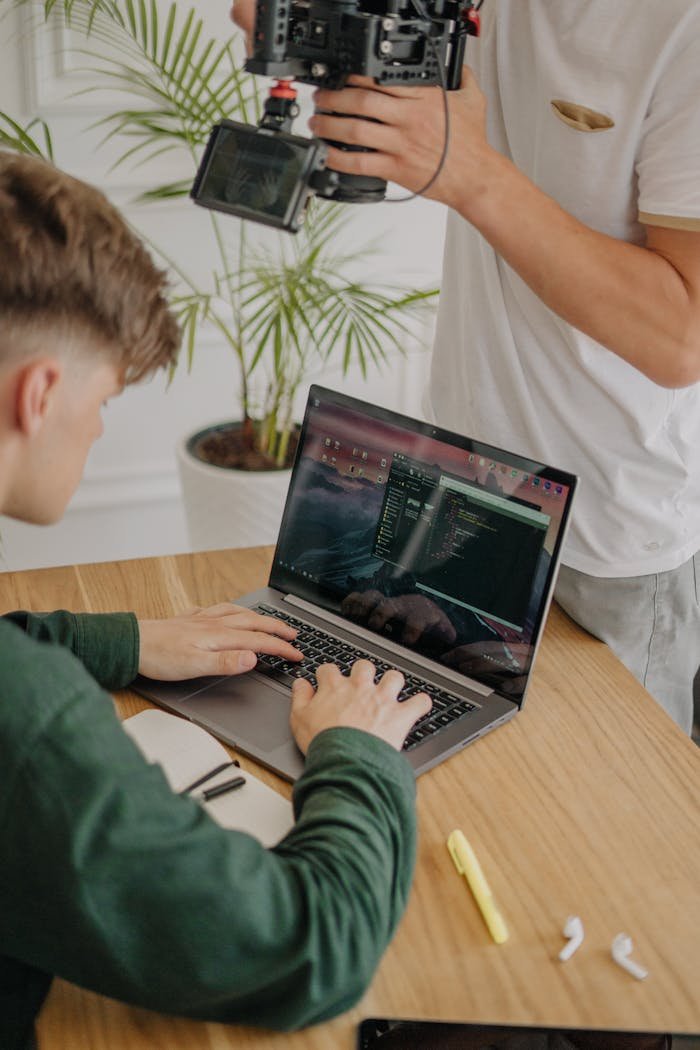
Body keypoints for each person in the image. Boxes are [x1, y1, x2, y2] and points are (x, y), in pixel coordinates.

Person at [0, 150, 432, 1050]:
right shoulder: (23, 717)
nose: (99, 425)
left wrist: (123, 639)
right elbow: (307, 945)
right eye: (106, 398)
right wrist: (356, 752)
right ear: (39, 395)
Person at [231, 0, 700, 733]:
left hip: (604, 540)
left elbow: (684, 336)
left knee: (608, 828)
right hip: (461, 488)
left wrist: (471, 174)